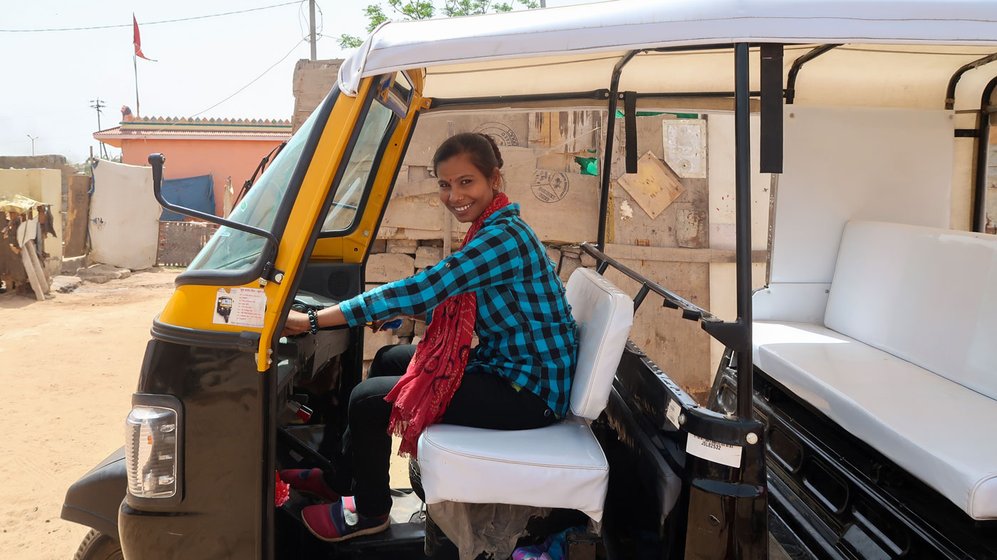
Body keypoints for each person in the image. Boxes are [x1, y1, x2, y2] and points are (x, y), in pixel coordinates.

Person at [280, 132, 578, 543]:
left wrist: (313, 321)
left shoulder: (503, 238)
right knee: (388, 361)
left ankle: (370, 513)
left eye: (465, 182)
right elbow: (455, 299)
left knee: (368, 401)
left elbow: (426, 287)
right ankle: (344, 478)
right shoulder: (491, 226)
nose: (454, 194)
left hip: (529, 392)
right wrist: (396, 311)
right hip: (505, 364)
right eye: (444, 184)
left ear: (494, 179)